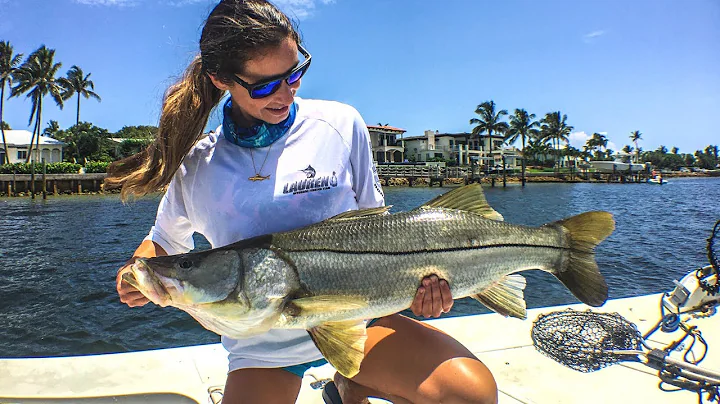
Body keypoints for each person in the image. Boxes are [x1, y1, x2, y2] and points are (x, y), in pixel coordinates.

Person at [107, 1, 498, 403]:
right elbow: (165, 244)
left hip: (359, 316)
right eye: (264, 85)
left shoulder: (341, 124)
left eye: (294, 73)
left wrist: (420, 283)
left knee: (472, 397)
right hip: (263, 344)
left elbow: (379, 229)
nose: (286, 93)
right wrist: (136, 273)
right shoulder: (198, 165)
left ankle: (351, 382)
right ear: (221, 79)